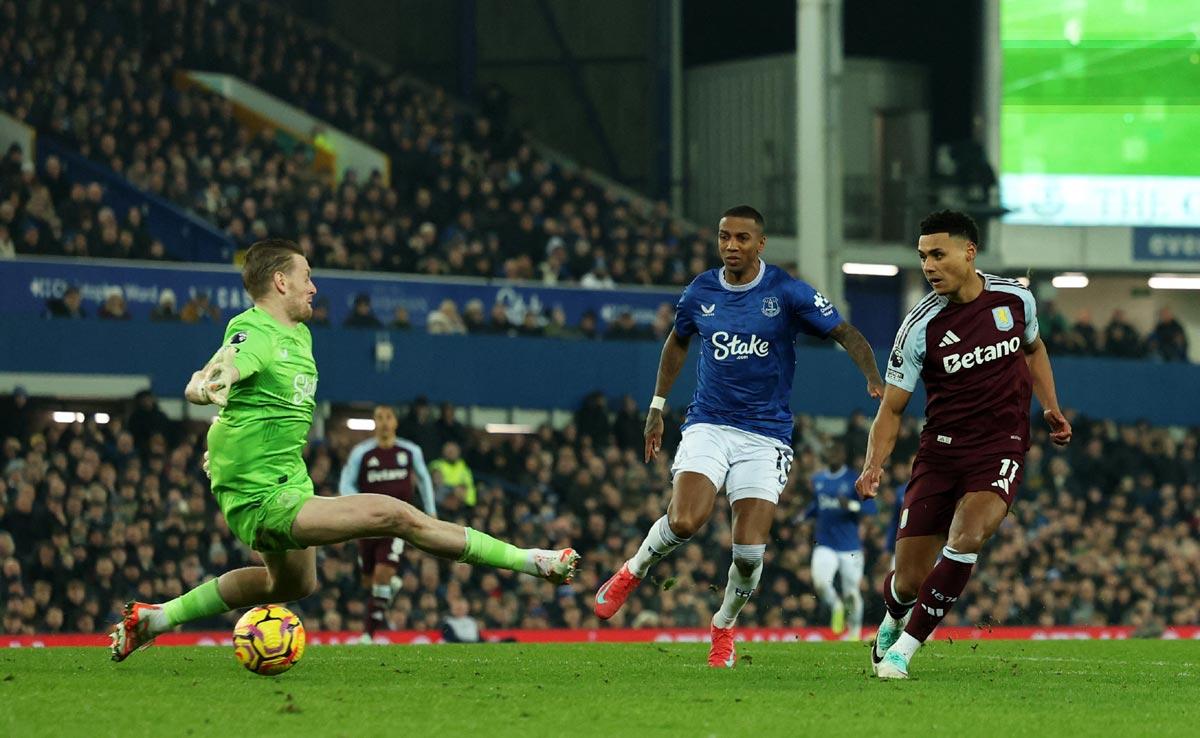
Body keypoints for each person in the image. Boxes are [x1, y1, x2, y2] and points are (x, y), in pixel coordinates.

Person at [110, 239, 578, 661]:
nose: (313, 287)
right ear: (280, 281)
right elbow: (226, 366)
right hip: (263, 498)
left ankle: (155, 619)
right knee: (398, 515)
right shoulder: (253, 332)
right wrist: (209, 384)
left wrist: (223, 436)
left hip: (284, 480)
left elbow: (251, 405)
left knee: (292, 585)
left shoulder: (299, 334)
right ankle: (532, 561)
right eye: (306, 276)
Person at [592, 205, 883, 667]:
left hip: (766, 436)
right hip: (709, 422)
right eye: (724, 237)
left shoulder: (786, 291)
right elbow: (677, 341)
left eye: (742, 238)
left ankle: (724, 625)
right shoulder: (701, 290)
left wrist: (874, 378)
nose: (731, 246)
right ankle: (632, 571)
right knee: (686, 520)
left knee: (748, 554)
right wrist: (656, 406)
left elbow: (845, 332)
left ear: (760, 243)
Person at [856, 210, 1071, 679]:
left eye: (938, 254)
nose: (928, 266)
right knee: (908, 581)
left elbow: (1033, 348)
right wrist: (874, 464)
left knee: (968, 536)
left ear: (968, 252)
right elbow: (891, 409)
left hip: (1000, 447)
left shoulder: (1015, 300)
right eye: (922, 257)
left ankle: (904, 652)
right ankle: (893, 618)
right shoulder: (919, 327)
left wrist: (1050, 406)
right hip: (940, 453)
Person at [339, 404, 436, 639]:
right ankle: (389, 587)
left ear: (395, 422)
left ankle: (367, 635)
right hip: (368, 523)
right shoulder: (362, 453)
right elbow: (346, 484)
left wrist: (431, 512)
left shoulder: (410, 450)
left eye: (388, 417)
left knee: (382, 575)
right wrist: (356, 506)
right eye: (379, 418)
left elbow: (424, 480)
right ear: (374, 423)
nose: (384, 422)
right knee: (368, 581)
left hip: (396, 523)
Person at [804, 442, 875, 641]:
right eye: (830, 450)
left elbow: (871, 510)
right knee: (820, 583)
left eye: (837, 451)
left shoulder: (854, 479)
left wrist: (851, 505)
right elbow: (817, 506)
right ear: (826, 453)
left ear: (844, 455)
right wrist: (801, 517)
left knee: (852, 592)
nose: (833, 454)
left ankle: (853, 634)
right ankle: (836, 604)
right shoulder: (817, 479)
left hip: (850, 547)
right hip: (825, 543)